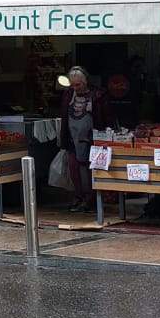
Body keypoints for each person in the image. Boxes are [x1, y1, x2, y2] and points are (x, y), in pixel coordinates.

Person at [59, 66, 110, 212]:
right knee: (74, 168)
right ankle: (78, 196)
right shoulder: (68, 94)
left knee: (90, 169)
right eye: (73, 85)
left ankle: (91, 198)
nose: (76, 88)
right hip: (72, 138)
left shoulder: (98, 95)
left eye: (78, 84)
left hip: (92, 138)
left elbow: (106, 117)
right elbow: (64, 116)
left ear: (85, 81)